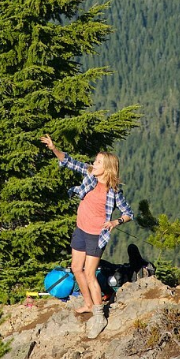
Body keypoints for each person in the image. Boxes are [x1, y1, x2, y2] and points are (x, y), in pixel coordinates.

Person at [40, 134, 133, 339]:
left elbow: (129, 213)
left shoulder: (114, 192)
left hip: (95, 236)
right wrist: (54, 148)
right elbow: (69, 161)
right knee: (75, 268)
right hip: (81, 230)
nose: (94, 163)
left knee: (90, 274)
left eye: (98, 162)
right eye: (95, 161)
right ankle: (88, 303)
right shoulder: (90, 174)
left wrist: (115, 222)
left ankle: (99, 315)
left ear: (107, 168)